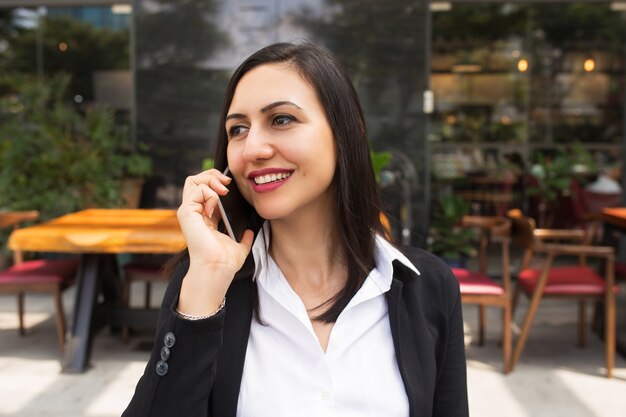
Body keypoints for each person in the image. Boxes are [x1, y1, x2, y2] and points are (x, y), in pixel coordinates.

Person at [123, 42, 468, 417]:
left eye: (281, 119)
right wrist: (204, 284)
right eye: (237, 129)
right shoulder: (210, 286)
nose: (252, 148)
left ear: (347, 132)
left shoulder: (429, 287)